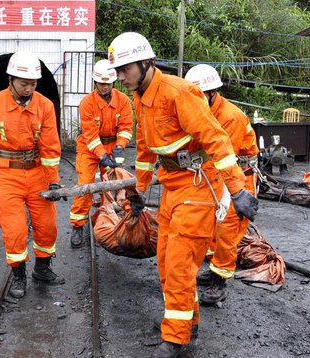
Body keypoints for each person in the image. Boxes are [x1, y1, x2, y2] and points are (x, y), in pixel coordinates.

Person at [107, 32, 258, 357]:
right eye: (117, 71)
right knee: (164, 261)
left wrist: (238, 190)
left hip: (199, 186)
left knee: (179, 264)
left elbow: (217, 139)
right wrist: (140, 191)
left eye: (124, 69)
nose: (120, 77)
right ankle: (187, 323)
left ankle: (176, 339)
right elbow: (146, 149)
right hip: (173, 185)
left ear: (145, 63)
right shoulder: (141, 97)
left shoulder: (178, 92)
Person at [0, 50, 65, 299]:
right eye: (24, 83)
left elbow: (50, 146)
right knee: (14, 228)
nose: (29, 88)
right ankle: (18, 274)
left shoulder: (45, 106)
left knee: (47, 225)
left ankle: (42, 269)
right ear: (11, 80)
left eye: (33, 83)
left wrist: (53, 180)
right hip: (7, 175)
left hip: (38, 172)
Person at [185, 64, 260, 304]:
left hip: (238, 177)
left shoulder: (230, 117)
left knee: (228, 229)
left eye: (199, 96)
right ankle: (214, 270)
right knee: (212, 228)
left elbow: (224, 157)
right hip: (217, 175)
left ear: (212, 93)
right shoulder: (203, 111)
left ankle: (220, 282)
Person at [69, 59, 133, 248]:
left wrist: (120, 146)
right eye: (101, 83)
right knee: (85, 185)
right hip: (89, 148)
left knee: (110, 184)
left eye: (108, 83)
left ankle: (107, 221)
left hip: (112, 145)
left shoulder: (123, 101)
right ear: (94, 82)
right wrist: (101, 155)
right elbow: (90, 134)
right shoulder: (87, 103)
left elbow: (126, 127)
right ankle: (77, 225)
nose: (105, 87)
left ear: (114, 82)